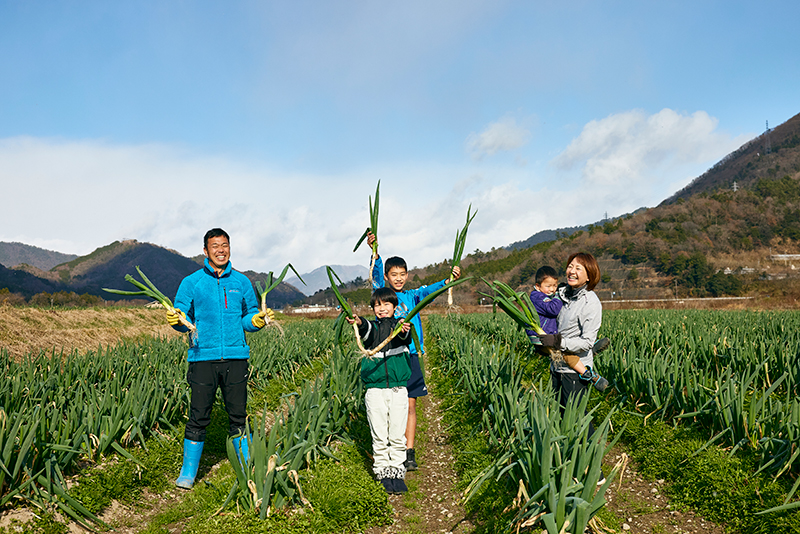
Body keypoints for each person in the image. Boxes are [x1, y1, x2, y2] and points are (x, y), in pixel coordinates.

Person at [167, 228, 274, 489]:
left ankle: (247, 467)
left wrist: (257, 321)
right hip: (202, 357)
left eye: (224, 245)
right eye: (215, 246)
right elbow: (182, 316)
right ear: (205, 251)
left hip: (236, 356)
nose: (220, 250)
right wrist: (177, 323)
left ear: (230, 247)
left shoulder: (241, 282)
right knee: (198, 415)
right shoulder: (191, 282)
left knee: (238, 414)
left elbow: (248, 316)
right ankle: (188, 472)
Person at [366, 231, 460, 471]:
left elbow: (434, 289)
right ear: (387, 277)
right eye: (393, 275)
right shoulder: (383, 297)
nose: (398, 279)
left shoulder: (413, 295)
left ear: (407, 275)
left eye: (402, 274)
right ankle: (388, 448)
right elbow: (374, 276)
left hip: (411, 355)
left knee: (409, 405)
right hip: (388, 357)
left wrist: (450, 279)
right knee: (388, 405)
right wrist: (375, 253)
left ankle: (408, 451)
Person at [347, 287, 413, 494]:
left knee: (396, 433)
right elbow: (366, 329)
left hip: (397, 389)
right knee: (379, 433)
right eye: (377, 305)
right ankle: (383, 471)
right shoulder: (372, 329)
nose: (382, 308)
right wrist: (359, 322)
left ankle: (397, 473)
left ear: (395, 307)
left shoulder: (402, 327)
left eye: (386, 304)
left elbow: (406, 338)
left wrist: (404, 330)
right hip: (374, 389)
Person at [537, 253, 603, 435]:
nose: (571, 271)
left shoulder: (590, 302)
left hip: (573, 372)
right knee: (560, 414)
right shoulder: (561, 293)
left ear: (589, 275)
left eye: (578, 268)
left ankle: (588, 456)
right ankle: (567, 454)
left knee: (576, 417)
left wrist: (559, 341)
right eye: (570, 266)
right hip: (557, 365)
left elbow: (587, 341)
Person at [529, 265, 609, 392]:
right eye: (548, 286)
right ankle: (589, 375)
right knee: (567, 355)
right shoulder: (537, 297)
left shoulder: (589, 300)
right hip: (543, 339)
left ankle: (588, 349)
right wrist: (558, 296)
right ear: (538, 286)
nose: (552, 290)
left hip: (550, 337)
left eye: (554, 286)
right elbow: (553, 309)